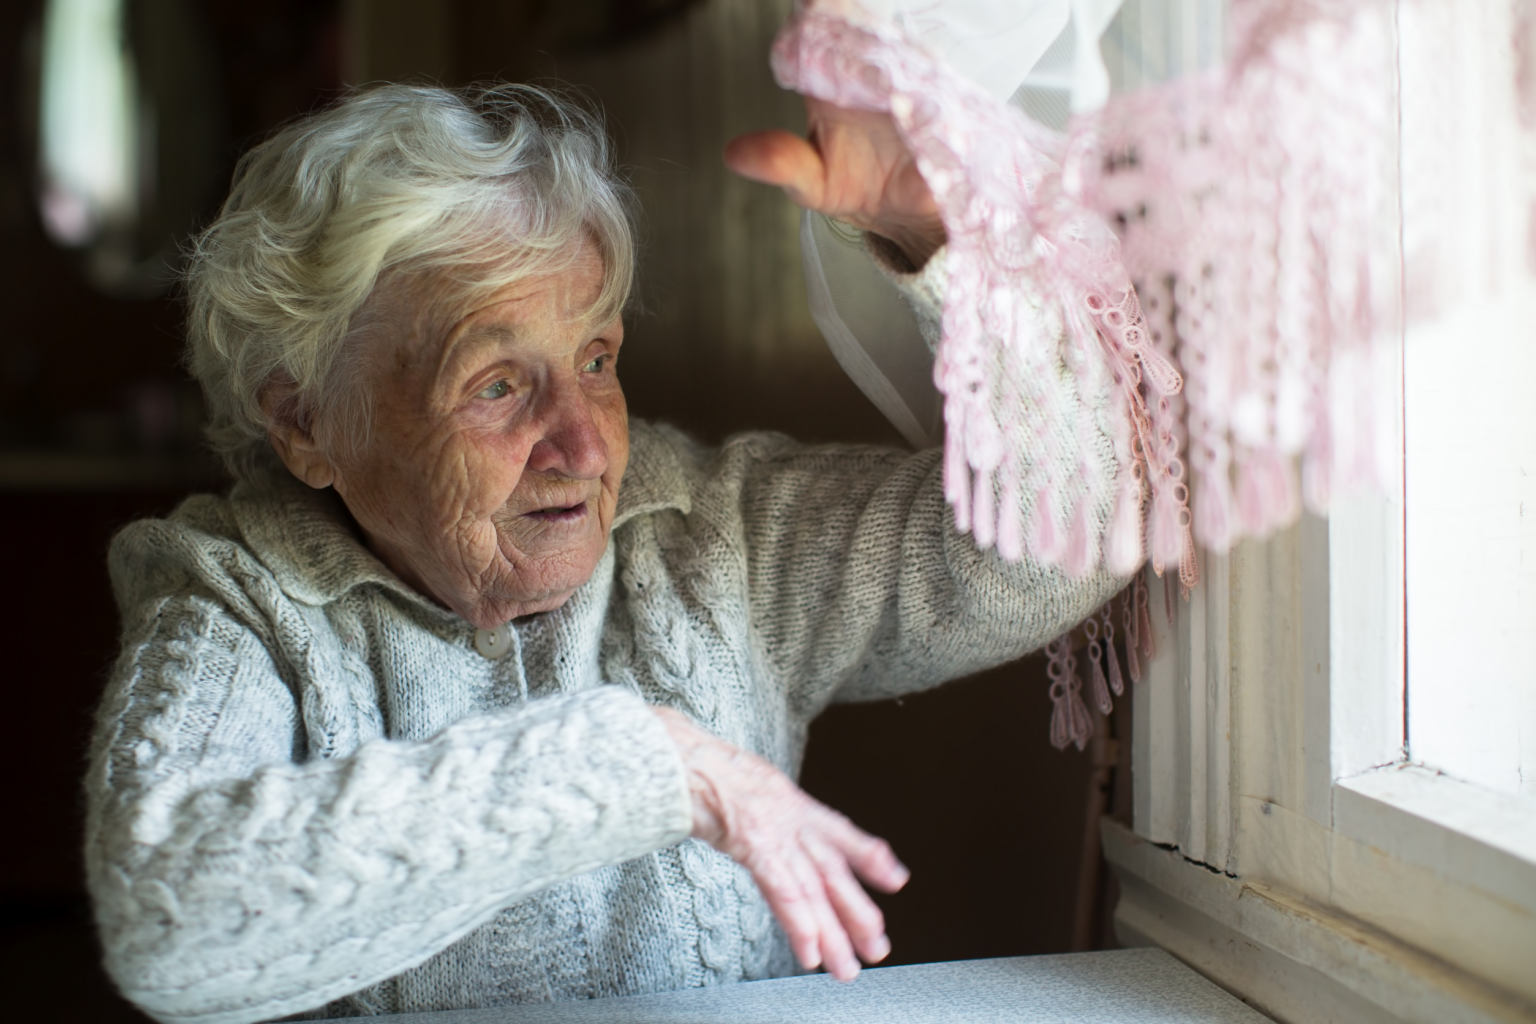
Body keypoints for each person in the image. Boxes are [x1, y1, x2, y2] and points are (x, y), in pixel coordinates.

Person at [85, 82, 1125, 1024]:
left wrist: (947, 246)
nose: (583, 447)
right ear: (306, 422)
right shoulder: (238, 595)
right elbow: (165, 922)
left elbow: (1060, 541)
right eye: (497, 384)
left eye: (595, 360)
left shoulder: (711, 533)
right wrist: (643, 766)